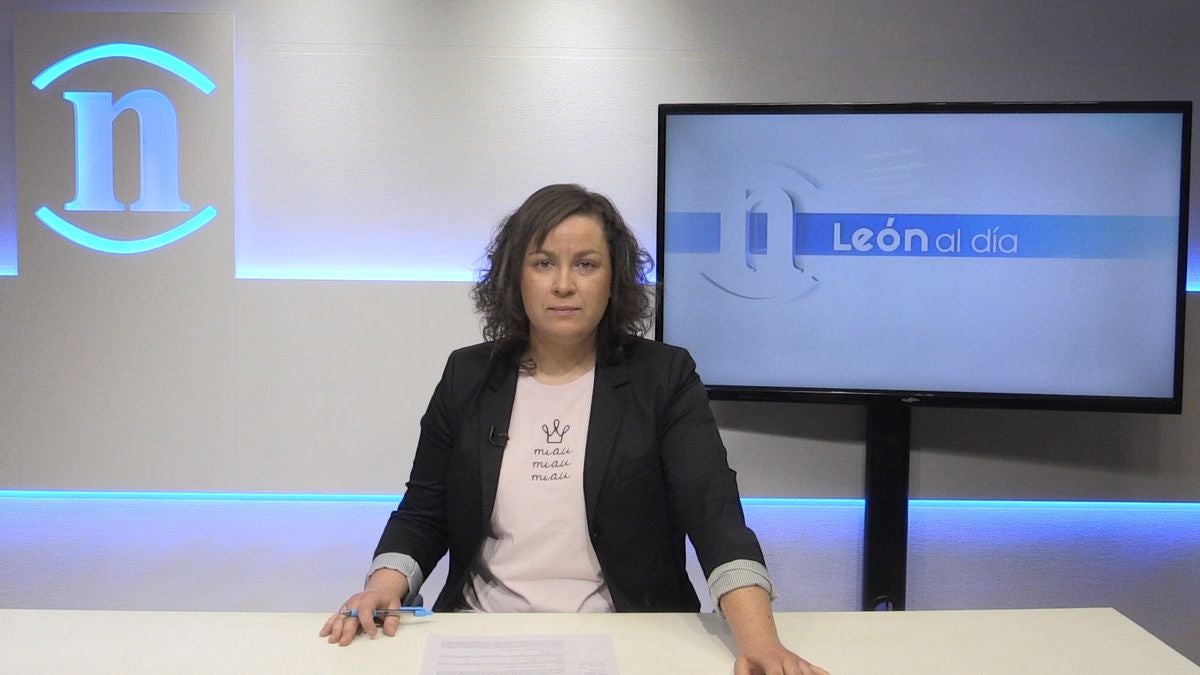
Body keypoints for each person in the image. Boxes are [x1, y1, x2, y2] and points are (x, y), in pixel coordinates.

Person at [320, 184, 828, 675]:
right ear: (515, 277)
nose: (564, 285)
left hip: (627, 638)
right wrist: (383, 584)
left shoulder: (663, 376)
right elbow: (424, 511)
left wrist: (760, 643)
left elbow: (713, 514)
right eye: (544, 263)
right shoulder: (467, 375)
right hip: (484, 634)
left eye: (586, 264)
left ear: (614, 279)